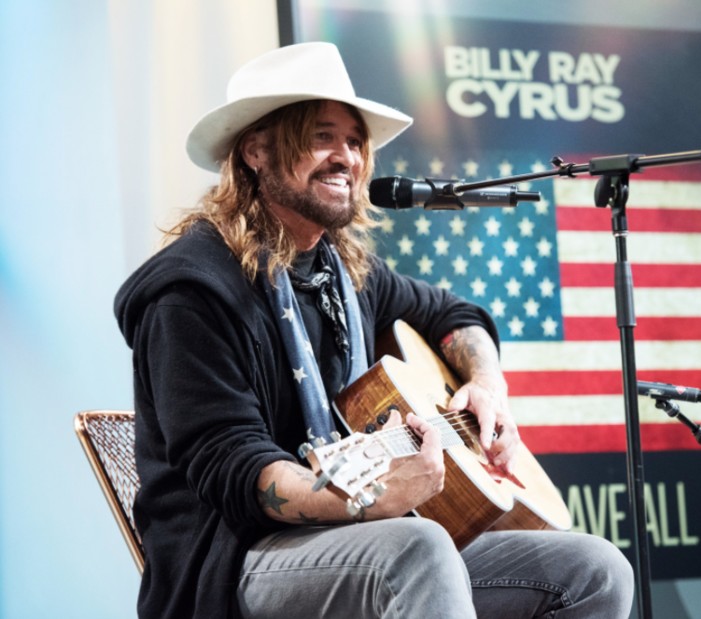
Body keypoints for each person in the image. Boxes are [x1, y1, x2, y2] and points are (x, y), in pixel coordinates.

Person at [115, 41, 634, 619]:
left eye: (355, 141)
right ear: (256, 151)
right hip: (235, 560)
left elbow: (455, 315)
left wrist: (487, 386)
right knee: (419, 549)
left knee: (596, 570)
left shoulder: (348, 273)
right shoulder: (190, 291)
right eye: (320, 136)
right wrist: (368, 498)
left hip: (368, 540)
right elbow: (235, 470)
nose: (347, 157)